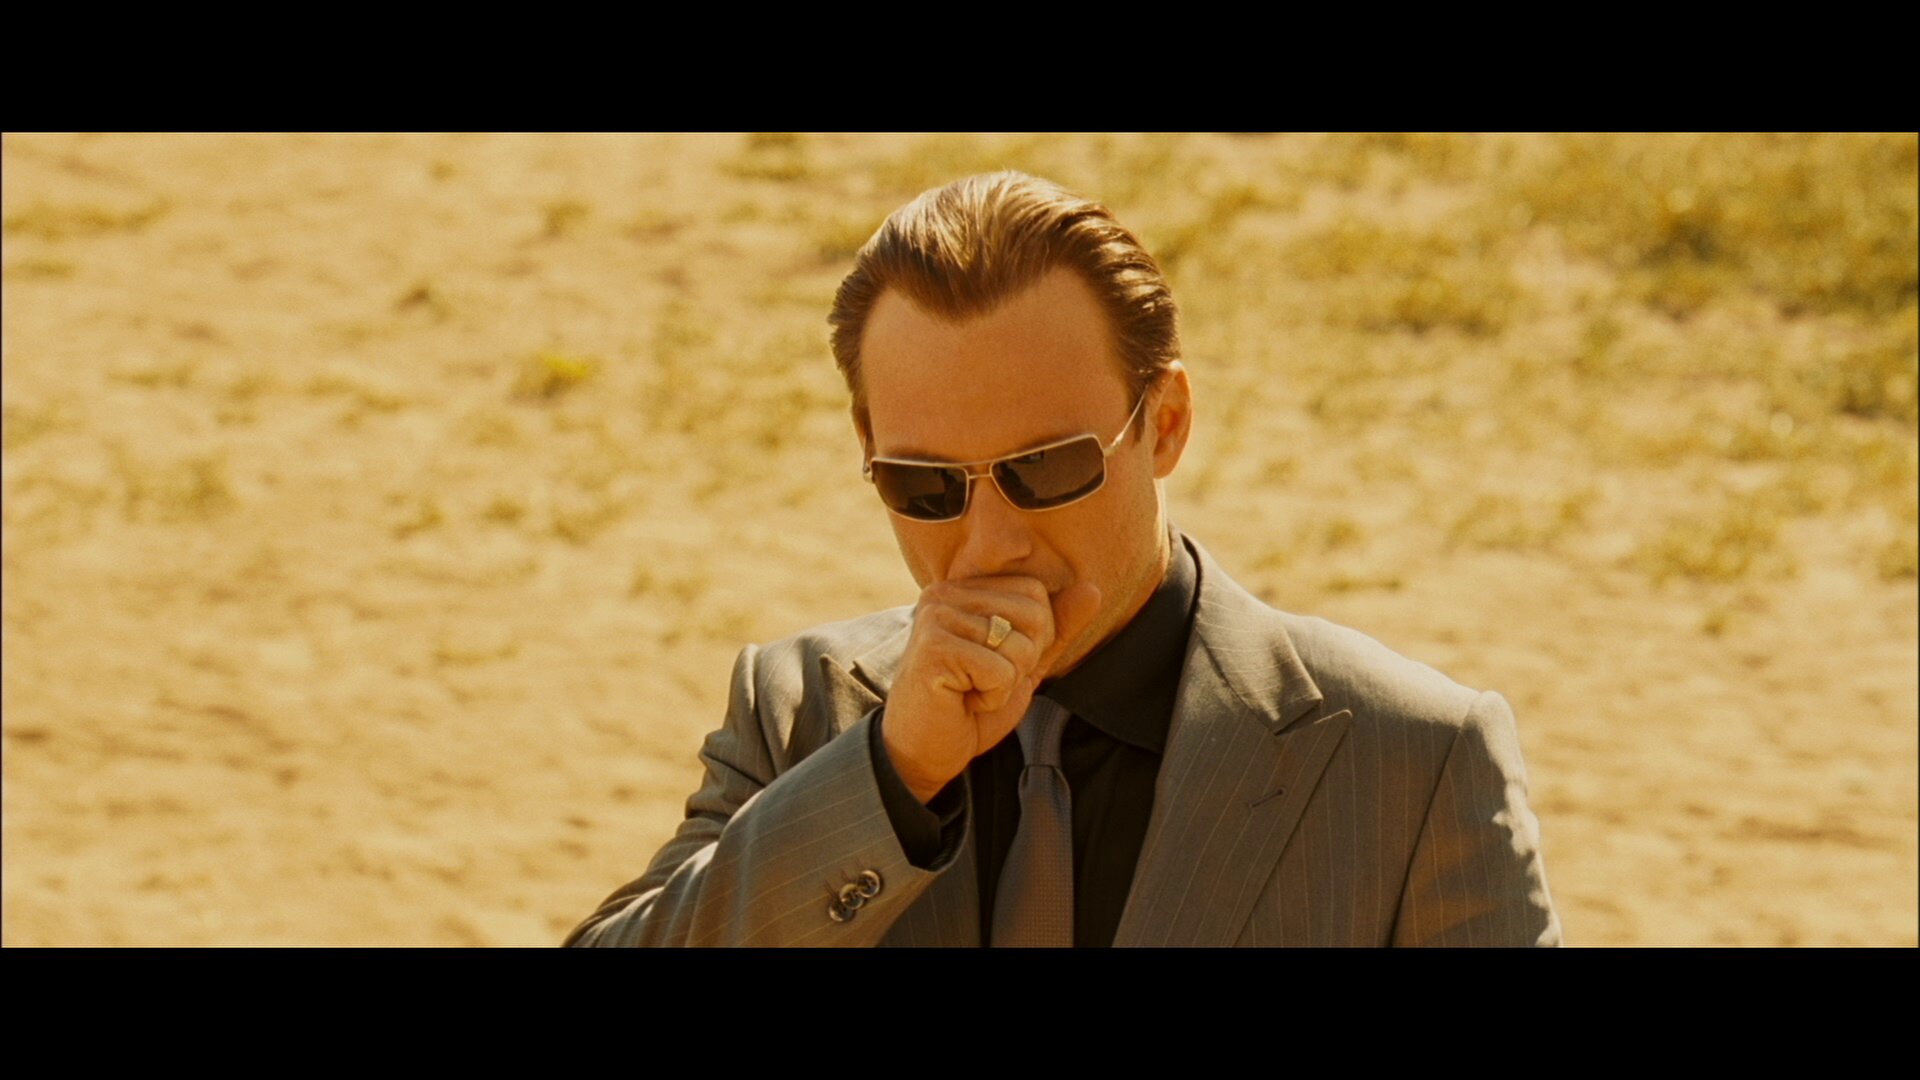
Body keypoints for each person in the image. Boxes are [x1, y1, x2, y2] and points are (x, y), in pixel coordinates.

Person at [565, 171, 1561, 947]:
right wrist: (891, 776)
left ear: (1165, 423)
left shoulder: (1414, 758)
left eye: (1045, 469)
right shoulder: (797, 709)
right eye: (927, 486)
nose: (990, 542)